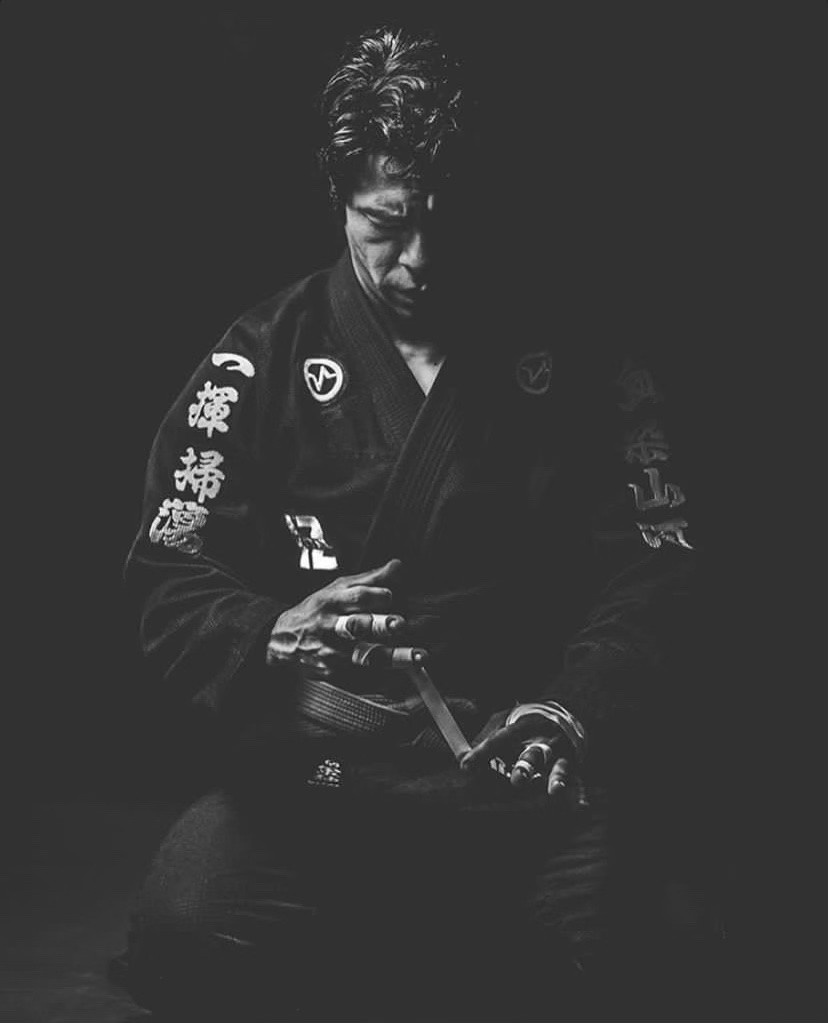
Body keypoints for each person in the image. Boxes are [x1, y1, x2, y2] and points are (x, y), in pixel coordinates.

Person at [112, 24, 714, 1022]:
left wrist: (569, 711)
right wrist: (271, 633)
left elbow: (661, 565)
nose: (420, 259)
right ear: (340, 198)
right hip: (327, 780)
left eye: (445, 217)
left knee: (657, 939)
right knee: (186, 927)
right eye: (385, 223)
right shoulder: (259, 359)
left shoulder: (579, 356)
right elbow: (169, 571)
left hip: (516, 776)